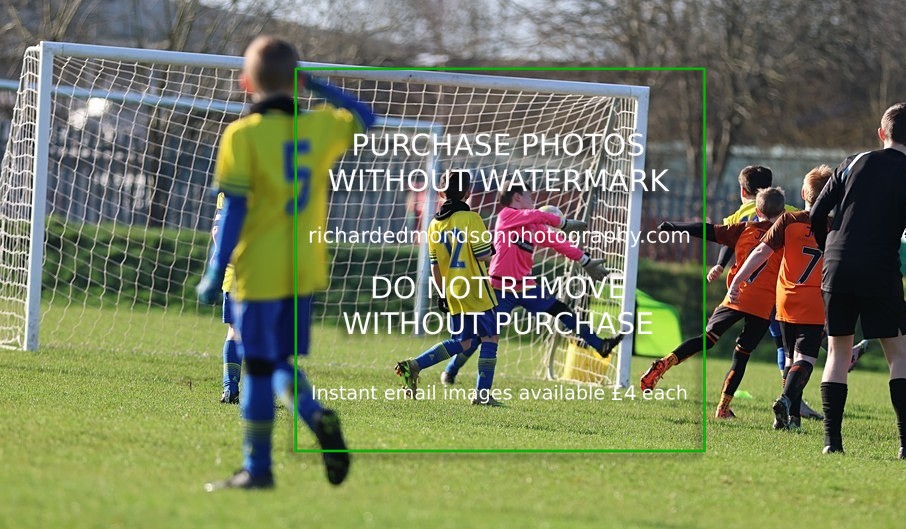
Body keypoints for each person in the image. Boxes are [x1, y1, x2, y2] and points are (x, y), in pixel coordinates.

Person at [196, 35, 376, 489]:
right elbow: (367, 116)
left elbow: (234, 208)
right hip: (304, 269)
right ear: (296, 82)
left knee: (258, 366)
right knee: (277, 360)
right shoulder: (318, 129)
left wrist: (216, 269)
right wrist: (314, 84)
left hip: (257, 269)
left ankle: (260, 467)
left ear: (245, 82)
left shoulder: (243, 134)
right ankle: (313, 419)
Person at [809, 102, 906, 460]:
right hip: (879, 268)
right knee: (898, 353)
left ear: (881, 133)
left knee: (837, 351)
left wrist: (828, 248)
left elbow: (817, 213)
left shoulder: (850, 163)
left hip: (837, 264)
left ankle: (832, 443)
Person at [439, 180, 622, 385]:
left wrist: (585, 260)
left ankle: (600, 345)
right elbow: (535, 215)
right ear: (517, 197)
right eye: (530, 196)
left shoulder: (533, 227)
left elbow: (558, 243)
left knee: (562, 310)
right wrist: (562, 223)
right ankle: (451, 370)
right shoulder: (506, 216)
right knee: (480, 336)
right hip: (500, 289)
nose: (533, 201)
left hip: (525, 287)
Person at [643, 187, 786, 419]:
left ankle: (665, 362)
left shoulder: (744, 228)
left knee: (707, 338)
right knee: (742, 354)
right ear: (781, 213)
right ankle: (722, 408)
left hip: (736, 295)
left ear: (757, 210)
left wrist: (674, 226)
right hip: (763, 304)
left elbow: (707, 230)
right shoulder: (785, 235)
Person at [726, 166, 833, 430]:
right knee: (804, 360)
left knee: (789, 357)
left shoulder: (788, 220)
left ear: (802, 193)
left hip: (784, 300)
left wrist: (738, 280)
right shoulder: (835, 228)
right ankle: (785, 400)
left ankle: (793, 420)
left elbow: (760, 251)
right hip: (814, 301)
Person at [394, 170, 504, 406]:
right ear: (466, 192)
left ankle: (414, 366)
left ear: (442, 193)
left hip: (453, 290)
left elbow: (434, 266)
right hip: (475, 289)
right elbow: (484, 255)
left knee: (463, 342)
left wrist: (441, 293)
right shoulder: (471, 219)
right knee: (490, 336)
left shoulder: (434, 224)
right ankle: (482, 395)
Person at [212, 192, 241, 404]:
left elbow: (217, 231)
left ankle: (230, 387)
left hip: (235, 275)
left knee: (235, 331)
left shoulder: (229, 188)